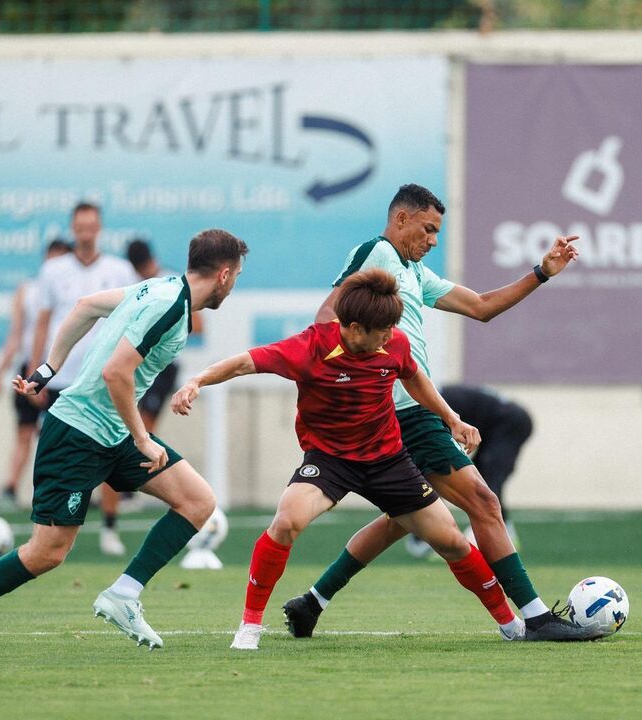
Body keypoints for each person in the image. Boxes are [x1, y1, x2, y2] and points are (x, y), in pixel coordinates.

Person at [282, 183, 593, 642]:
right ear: (401, 218)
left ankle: (312, 602)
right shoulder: (378, 253)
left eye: (438, 232)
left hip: (401, 413)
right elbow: (328, 316)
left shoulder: (415, 272)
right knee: (483, 502)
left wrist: (541, 272)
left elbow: (482, 307)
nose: (432, 240)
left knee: (402, 518)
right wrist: (348, 384)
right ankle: (534, 616)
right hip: (403, 412)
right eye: (428, 229)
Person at [0, 228, 249, 660]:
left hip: (112, 432)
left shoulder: (163, 287)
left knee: (197, 501)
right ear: (224, 274)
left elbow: (86, 306)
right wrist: (142, 439)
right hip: (78, 434)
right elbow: (117, 373)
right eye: (237, 276)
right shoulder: (170, 305)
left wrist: (46, 368)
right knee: (47, 553)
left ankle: (124, 595)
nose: (235, 284)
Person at [171, 269, 530, 651]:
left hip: (389, 460)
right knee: (286, 522)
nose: (391, 336)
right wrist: (196, 381)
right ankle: (250, 626)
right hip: (330, 460)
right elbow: (243, 362)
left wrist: (451, 417)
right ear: (355, 329)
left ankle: (511, 624)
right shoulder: (309, 348)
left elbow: (414, 377)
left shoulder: (395, 344)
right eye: (383, 331)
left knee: (453, 543)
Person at [29, 202, 140, 556]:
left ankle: (109, 527)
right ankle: (48, 531)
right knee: (59, 456)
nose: (86, 232)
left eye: (92, 225)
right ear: (73, 228)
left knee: (110, 450)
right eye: (80, 226)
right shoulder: (53, 270)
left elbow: (136, 322)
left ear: (100, 228)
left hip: (103, 378)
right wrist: (37, 372)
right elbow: (43, 321)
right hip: (62, 378)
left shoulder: (120, 269)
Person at [0, 238, 71, 511]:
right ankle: (10, 488)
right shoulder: (28, 290)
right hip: (30, 369)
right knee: (24, 432)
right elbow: (16, 334)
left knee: (62, 437)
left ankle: (66, 492)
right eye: (51, 258)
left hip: (59, 370)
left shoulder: (71, 291)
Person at [406, 385, 533, 555]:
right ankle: (504, 533)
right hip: (503, 422)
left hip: (511, 422)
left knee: (488, 480)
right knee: (484, 478)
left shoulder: (425, 405)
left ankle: (489, 538)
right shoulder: (431, 397)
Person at [126, 239, 204, 435]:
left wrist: (160, 328)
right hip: (136, 362)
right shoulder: (136, 286)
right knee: (127, 425)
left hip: (162, 365)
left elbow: (198, 325)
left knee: (145, 426)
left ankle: (142, 462)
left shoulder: (173, 282)